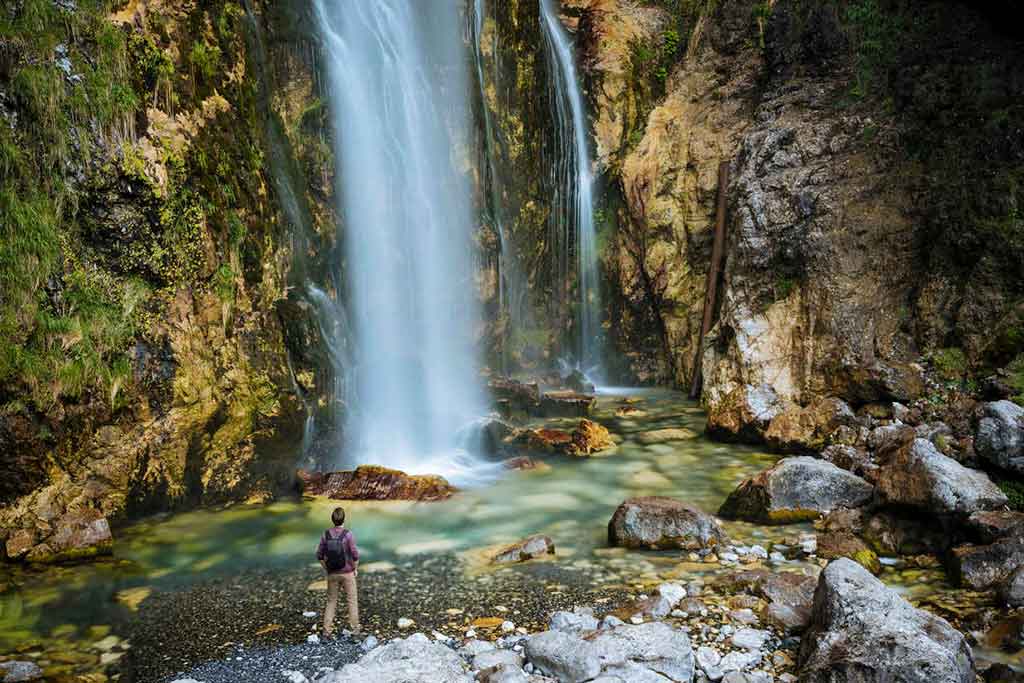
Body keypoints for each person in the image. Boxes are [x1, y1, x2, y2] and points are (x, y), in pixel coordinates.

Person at [316, 506, 360, 636]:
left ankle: (326, 632)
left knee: (331, 601)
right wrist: (355, 569)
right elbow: (355, 555)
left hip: (332, 573)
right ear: (343, 520)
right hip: (347, 573)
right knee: (352, 601)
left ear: (332, 520)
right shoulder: (348, 534)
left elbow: (319, 555)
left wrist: (327, 568)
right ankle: (355, 632)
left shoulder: (325, 534)